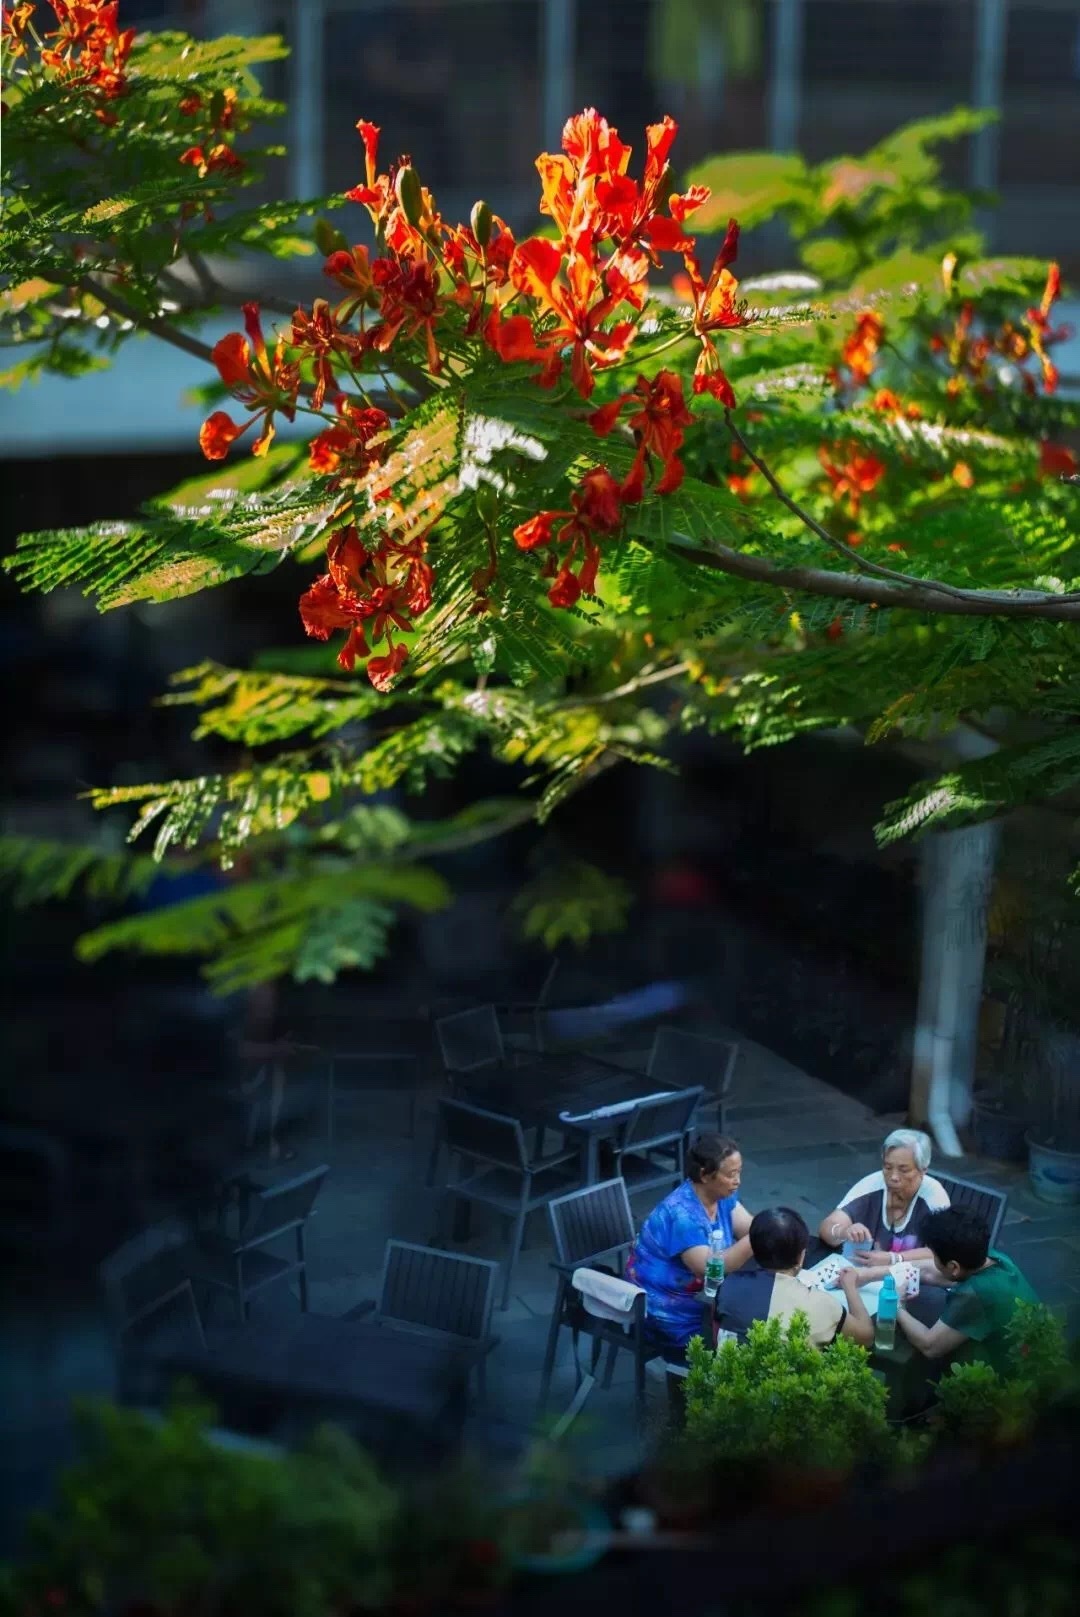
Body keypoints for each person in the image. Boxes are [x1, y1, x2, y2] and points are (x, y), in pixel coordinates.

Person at [626, 1133, 753, 1359]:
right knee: (745, 1333)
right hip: (667, 1311)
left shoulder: (722, 1196)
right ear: (704, 1175)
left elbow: (748, 1227)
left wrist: (764, 1230)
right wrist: (759, 1236)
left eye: (739, 1172)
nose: (738, 1181)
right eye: (731, 1174)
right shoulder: (682, 1214)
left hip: (701, 1299)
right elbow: (709, 1268)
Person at [896, 1207, 1038, 1372]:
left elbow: (930, 1347)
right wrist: (875, 1272)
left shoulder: (974, 1294)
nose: (933, 1260)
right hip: (1033, 1354)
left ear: (954, 1267)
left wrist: (896, 1306)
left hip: (1006, 1375)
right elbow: (930, 1272)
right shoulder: (994, 1258)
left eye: (934, 1256)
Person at [721, 1207, 874, 1348]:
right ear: (801, 1255)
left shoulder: (727, 1287)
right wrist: (850, 1287)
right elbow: (866, 1337)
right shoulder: (824, 1305)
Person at [818, 1128, 950, 1274]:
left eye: (904, 1170)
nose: (893, 1176)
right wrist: (843, 1231)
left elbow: (945, 1250)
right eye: (888, 1167)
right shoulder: (872, 1184)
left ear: (923, 1170)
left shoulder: (933, 1195)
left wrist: (894, 1258)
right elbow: (827, 1227)